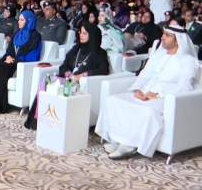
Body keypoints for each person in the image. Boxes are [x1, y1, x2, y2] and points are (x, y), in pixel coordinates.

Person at [95, 25, 199, 159]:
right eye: (163, 34)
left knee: (147, 111)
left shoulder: (187, 61)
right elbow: (143, 75)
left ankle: (129, 146)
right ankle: (117, 139)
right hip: (144, 93)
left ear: (177, 40)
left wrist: (158, 94)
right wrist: (138, 89)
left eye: (167, 35)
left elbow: (185, 86)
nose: (162, 38)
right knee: (113, 101)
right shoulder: (158, 56)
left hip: (164, 99)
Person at [25, 22, 110, 129]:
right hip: (67, 80)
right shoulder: (76, 48)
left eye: (84, 33)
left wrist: (83, 75)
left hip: (80, 85)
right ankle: (39, 119)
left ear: (92, 35)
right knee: (45, 82)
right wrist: (68, 74)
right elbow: (63, 66)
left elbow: (103, 69)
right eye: (80, 32)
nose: (81, 35)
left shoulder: (100, 53)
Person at [0, 10, 42, 114]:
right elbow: (9, 50)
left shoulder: (35, 37)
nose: (19, 22)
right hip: (9, 61)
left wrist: (14, 60)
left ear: (29, 21)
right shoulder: (17, 34)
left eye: (22, 20)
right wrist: (8, 56)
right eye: (19, 19)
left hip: (19, 64)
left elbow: (33, 57)